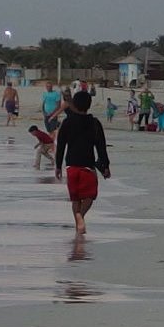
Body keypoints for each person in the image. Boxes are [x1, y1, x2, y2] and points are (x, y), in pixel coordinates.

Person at [51, 90, 111, 235]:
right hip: (87, 166)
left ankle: (78, 224)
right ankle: (80, 217)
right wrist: (105, 166)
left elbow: (61, 146)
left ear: (74, 105)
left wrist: (58, 166)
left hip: (71, 166)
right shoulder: (95, 123)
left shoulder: (67, 122)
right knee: (89, 196)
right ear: (89, 105)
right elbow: (101, 147)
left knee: (75, 198)